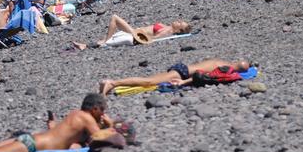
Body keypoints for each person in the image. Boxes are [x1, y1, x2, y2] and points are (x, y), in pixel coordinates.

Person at [99, 58, 251, 95]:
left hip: (183, 67)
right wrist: (184, 82)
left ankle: (113, 83)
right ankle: (113, 83)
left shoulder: (221, 60)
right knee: (149, 81)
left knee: (151, 80)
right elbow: (201, 75)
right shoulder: (226, 69)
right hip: (183, 73)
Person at [97, 14, 191, 47]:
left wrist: (141, 37)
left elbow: (153, 39)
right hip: (135, 33)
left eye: (180, 23)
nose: (178, 21)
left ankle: (106, 41)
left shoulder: (168, 31)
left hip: (136, 35)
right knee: (101, 41)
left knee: (115, 18)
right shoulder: (168, 27)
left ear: (178, 31)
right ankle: (103, 41)